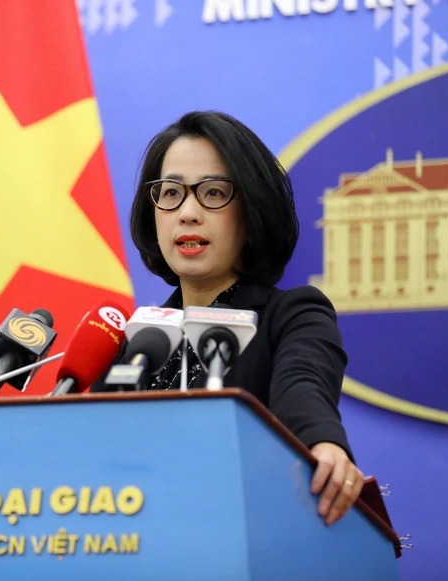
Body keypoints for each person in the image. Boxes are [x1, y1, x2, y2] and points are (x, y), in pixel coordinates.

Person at [92, 110, 362, 526]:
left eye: (214, 192)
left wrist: (322, 443)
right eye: (170, 192)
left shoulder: (291, 316)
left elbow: (302, 387)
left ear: (252, 216)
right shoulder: (136, 342)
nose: (187, 212)